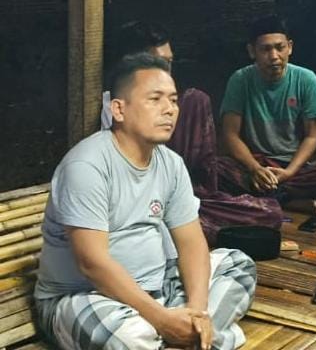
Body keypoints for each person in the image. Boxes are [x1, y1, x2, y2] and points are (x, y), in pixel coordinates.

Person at [35, 53, 257, 350]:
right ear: (119, 109)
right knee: (124, 337)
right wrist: (162, 320)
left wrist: (198, 311)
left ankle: (192, 333)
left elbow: (192, 244)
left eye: (173, 100)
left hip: (160, 288)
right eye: (155, 99)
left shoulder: (171, 163)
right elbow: (92, 263)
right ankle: (208, 339)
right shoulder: (87, 166)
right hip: (89, 298)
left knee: (237, 264)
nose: (169, 109)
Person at [101, 21, 283, 245]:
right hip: (144, 201)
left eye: (169, 62)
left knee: (266, 208)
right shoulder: (118, 109)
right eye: (159, 63)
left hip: (184, 194)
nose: (167, 71)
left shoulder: (173, 106)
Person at [217, 15, 316, 225]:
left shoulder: (306, 80)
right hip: (255, 164)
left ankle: (271, 199)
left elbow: (312, 136)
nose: (274, 56)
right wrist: (255, 169)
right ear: (252, 51)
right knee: (215, 169)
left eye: (279, 48)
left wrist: (288, 172)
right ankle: (290, 202)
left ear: (290, 47)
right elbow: (230, 134)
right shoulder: (240, 80)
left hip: (293, 167)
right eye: (265, 49)